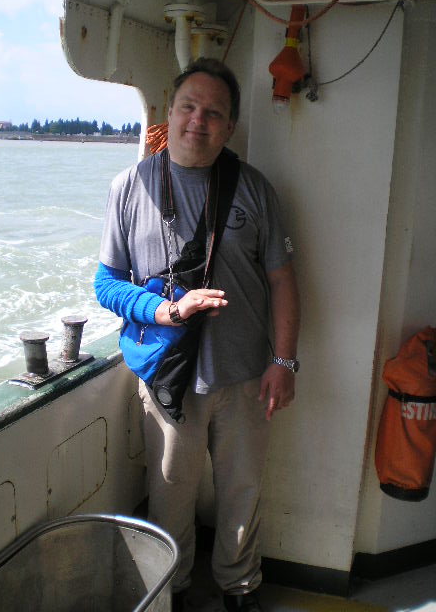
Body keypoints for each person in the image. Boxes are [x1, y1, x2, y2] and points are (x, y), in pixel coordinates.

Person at [94, 57, 300, 612]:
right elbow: (106, 284)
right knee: (169, 495)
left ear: (230, 126)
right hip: (167, 377)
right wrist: (163, 311)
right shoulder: (129, 186)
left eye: (213, 113)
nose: (198, 121)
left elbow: (283, 280)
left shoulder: (255, 189)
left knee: (241, 493)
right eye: (188, 107)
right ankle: (173, 589)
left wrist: (284, 361)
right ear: (170, 111)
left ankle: (240, 586)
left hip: (245, 376)